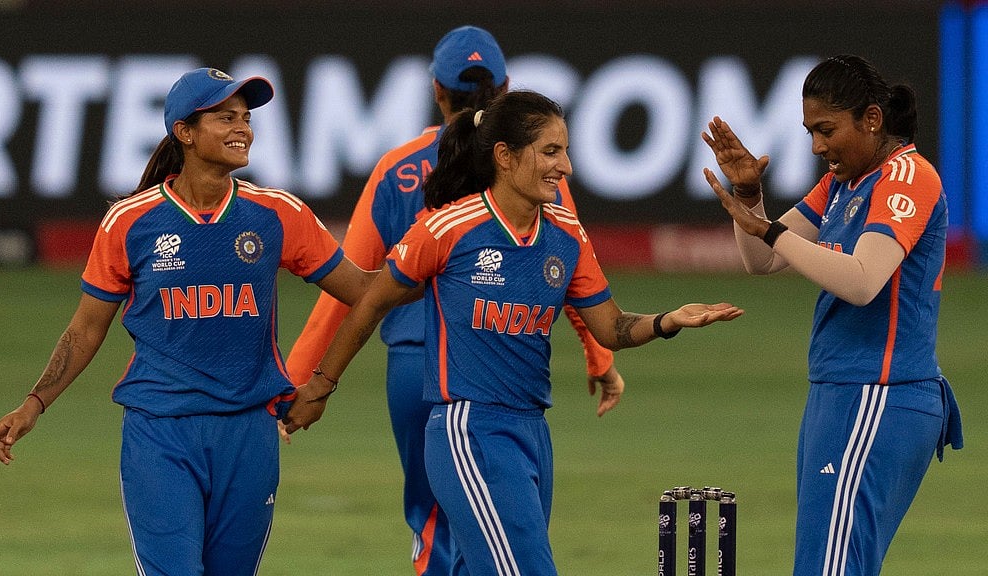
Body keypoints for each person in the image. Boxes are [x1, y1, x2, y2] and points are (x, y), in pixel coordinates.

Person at [283, 89, 743, 575]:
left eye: (565, 151)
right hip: (469, 432)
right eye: (550, 151)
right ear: (504, 156)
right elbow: (367, 304)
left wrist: (669, 320)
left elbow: (612, 327)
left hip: (531, 431)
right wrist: (320, 384)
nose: (565, 166)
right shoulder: (447, 229)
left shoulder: (566, 234)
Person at [0, 67, 375, 575]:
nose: (243, 128)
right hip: (160, 431)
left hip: (250, 432)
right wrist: (35, 403)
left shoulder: (278, 213)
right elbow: (86, 328)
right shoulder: (130, 221)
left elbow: (363, 293)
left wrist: (323, 382)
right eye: (224, 117)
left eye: (246, 118)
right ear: (184, 132)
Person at [283, 25, 624, 576]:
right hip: (494, 365)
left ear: (437, 91)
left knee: (437, 523)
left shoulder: (397, 168)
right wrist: (598, 354)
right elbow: (565, 272)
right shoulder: (539, 170)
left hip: (415, 367)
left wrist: (300, 383)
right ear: (506, 88)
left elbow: (353, 290)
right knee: (492, 531)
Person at [701, 54, 963, 576]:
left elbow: (864, 281)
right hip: (839, 390)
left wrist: (769, 229)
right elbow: (764, 259)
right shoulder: (845, 182)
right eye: (809, 132)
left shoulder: (907, 177)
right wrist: (750, 197)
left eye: (827, 130)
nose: (818, 147)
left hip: (879, 394)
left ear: (871, 119)